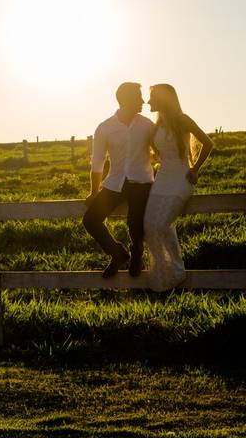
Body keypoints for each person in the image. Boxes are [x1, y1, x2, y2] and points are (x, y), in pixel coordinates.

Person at [143, 83, 214, 291]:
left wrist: (196, 169)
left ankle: (176, 270)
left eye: (152, 97)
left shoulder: (183, 120)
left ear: (164, 98)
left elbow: (208, 143)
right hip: (162, 178)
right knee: (149, 225)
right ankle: (162, 275)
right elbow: (157, 154)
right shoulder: (156, 126)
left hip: (181, 178)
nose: (148, 101)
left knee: (162, 223)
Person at [83, 82, 155, 278]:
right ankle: (117, 253)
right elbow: (97, 162)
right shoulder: (105, 128)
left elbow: (160, 151)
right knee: (90, 220)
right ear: (126, 100)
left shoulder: (147, 125)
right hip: (115, 183)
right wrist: (94, 191)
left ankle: (137, 252)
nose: (142, 101)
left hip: (141, 182)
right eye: (138, 97)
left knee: (134, 222)